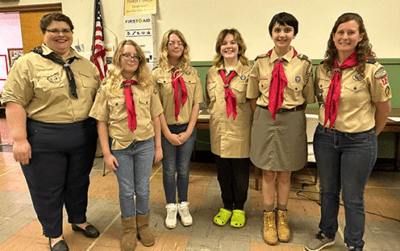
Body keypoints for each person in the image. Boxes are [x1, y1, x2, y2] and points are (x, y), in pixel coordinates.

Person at [0, 13, 100, 251]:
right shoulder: (27, 64)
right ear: (44, 34)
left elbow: (100, 101)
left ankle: (78, 219)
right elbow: (14, 102)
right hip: (43, 136)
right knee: (48, 188)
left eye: (66, 30)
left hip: (83, 135)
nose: (61, 35)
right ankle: (54, 234)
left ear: (72, 33)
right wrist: (19, 140)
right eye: (54, 30)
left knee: (78, 183)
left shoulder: (87, 65)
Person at [304, 13, 391, 251]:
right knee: (328, 190)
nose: (345, 37)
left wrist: (371, 137)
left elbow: (384, 108)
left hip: (358, 141)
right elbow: (313, 98)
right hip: (326, 137)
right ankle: (327, 233)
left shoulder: (372, 69)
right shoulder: (323, 69)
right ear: (333, 37)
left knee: (353, 197)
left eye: (351, 32)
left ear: (360, 37)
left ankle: (354, 244)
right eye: (340, 32)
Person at [246, 12, 315, 245]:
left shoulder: (304, 64)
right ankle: (268, 217)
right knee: (267, 170)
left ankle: (282, 216)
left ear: (294, 34)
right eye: (277, 30)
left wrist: (288, 111)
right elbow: (253, 97)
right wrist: (267, 115)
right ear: (271, 34)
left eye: (287, 30)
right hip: (266, 117)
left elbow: (307, 97)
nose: (282, 35)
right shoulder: (260, 62)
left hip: (292, 119)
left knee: (285, 172)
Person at [89, 39, 163, 251]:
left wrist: (158, 146)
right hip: (120, 147)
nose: (131, 59)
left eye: (135, 56)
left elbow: (156, 117)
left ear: (140, 60)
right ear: (118, 57)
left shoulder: (147, 85)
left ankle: (144, 226)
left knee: (143, 188)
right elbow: (101, 121)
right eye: (127, 55)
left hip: (145, 145)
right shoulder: (107, 87)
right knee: (126, 190)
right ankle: (129, 230)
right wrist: (106, 153)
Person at [150, 29, 204, 229]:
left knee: (183, 168)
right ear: (165, 47)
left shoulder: (192, 72)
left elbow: (197, 103)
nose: (176, 46)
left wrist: (189, 131)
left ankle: (183, 204)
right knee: (169, 169)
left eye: (180, 42)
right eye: (172, 42)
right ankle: (171, 206)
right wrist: (166, 133)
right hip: (166, 129)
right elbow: (156, 108)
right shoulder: (156, 74)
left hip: (187, 128)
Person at [205, 28, 252, 228]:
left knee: (240, 173)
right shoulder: (212, 73)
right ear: (219, 48)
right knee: (223, 172)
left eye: (233, 42)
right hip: (220, 131)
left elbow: (253, 103)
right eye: (224, 43)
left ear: (239, 47)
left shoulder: (249, 72)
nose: (229, 46)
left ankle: (239, 208)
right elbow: (210, 101)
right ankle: (226, 205)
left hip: (241, 131)